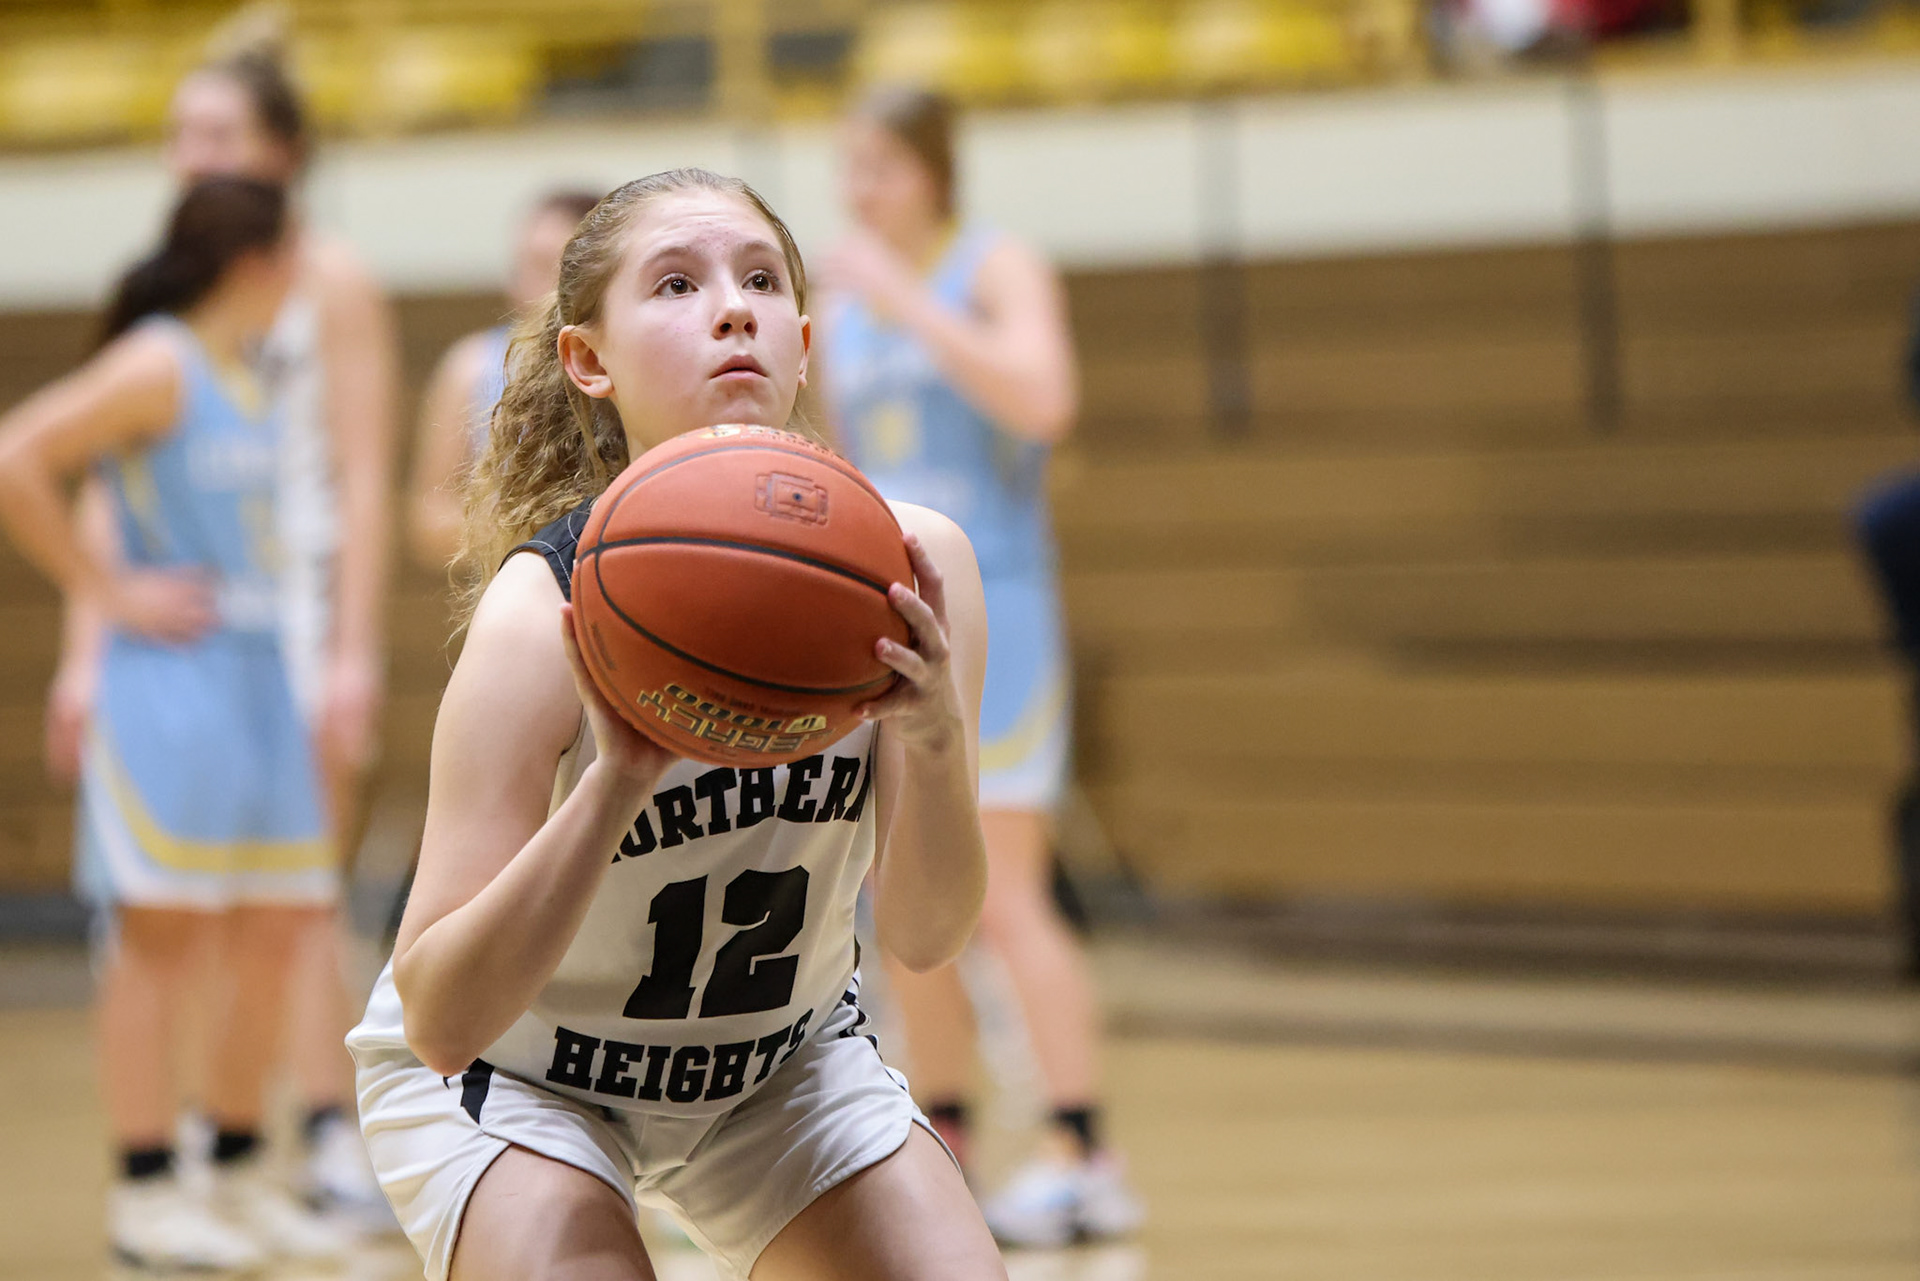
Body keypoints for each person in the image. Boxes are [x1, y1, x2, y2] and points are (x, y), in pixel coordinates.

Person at [346, 168, 1006, 1281]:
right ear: (588, 361)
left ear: (804, 337)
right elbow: (442, 1019)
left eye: (758, 279)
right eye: (676, 283)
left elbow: (927, 937)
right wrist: (613, 782)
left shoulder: (919, 567)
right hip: (520, 1077)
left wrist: (934, 740)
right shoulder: (538, 615)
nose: (732, 305)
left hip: (777, 1067)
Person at [43, 31, 400, 1220]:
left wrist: (350, 650)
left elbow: (359, 474)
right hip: (189, 634)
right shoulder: (171, 317)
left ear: (282, 153)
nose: (190, 157)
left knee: (285, 910)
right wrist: (87, 642)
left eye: (218, 135)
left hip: (286, 623)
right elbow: (100, 478)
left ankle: (304, 1133)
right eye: (178, 135)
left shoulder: (326, 281)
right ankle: (195, 1155)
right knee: (185, 921)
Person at [0, 178, 344, 1271]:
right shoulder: (159, 360)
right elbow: (18, 455)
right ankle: (145, 1188)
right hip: (172, 682)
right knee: (161, 941)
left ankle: (235, 1168)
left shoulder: (247, 370)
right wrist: (109, 592)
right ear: (259, 261)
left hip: (255, 677)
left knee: (279, 927)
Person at [820, 86, 1141, 1247]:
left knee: (1006, 891)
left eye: (880, 167)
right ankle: (943, 1137)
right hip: (895, 621)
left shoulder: (993, 266)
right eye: (848, 168)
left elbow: (1043, 399)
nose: (859, 190)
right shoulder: (840, 307)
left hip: (998, 610)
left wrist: (909, 302)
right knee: (899, 887)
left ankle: (1083, 1147)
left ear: (934, 170)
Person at [408, 189, 602, 572]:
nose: (524, 287)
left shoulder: (630, 362)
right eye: (521, 266)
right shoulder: (471, 366)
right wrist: (536, 529)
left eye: (547, 265)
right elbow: (428, 521)